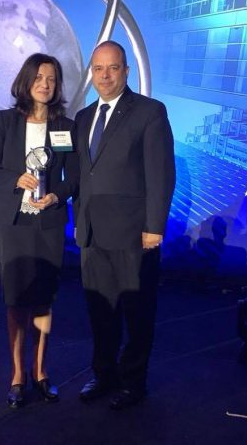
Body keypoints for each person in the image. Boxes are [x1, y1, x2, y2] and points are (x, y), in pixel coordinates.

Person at [74, 40, 175, 410]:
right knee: (100, 311)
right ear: (91, 73)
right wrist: (76, 217)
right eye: (98, 69)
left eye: (113, 68)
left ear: (126, 71)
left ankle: (133, 383)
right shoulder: (83, 117)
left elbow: (161, 174)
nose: (105, 76)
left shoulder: (149, 111)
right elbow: (82, 175)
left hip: (135, 235)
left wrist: (154, 227)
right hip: (92, 234)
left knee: (137, 313)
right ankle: (104, 375)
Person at [0, 53, 78, 408]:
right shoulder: (6, 121)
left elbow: (73, 176)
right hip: (15, 223)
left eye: (51, 79)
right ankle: (18, 375)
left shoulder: (64, 126)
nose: (45, 84)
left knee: (44, 300)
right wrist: (15, 179)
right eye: (38, 77)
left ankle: (41, 372)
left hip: (48, 223)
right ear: (26, 80)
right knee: (16, 301)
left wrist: (56, 195)